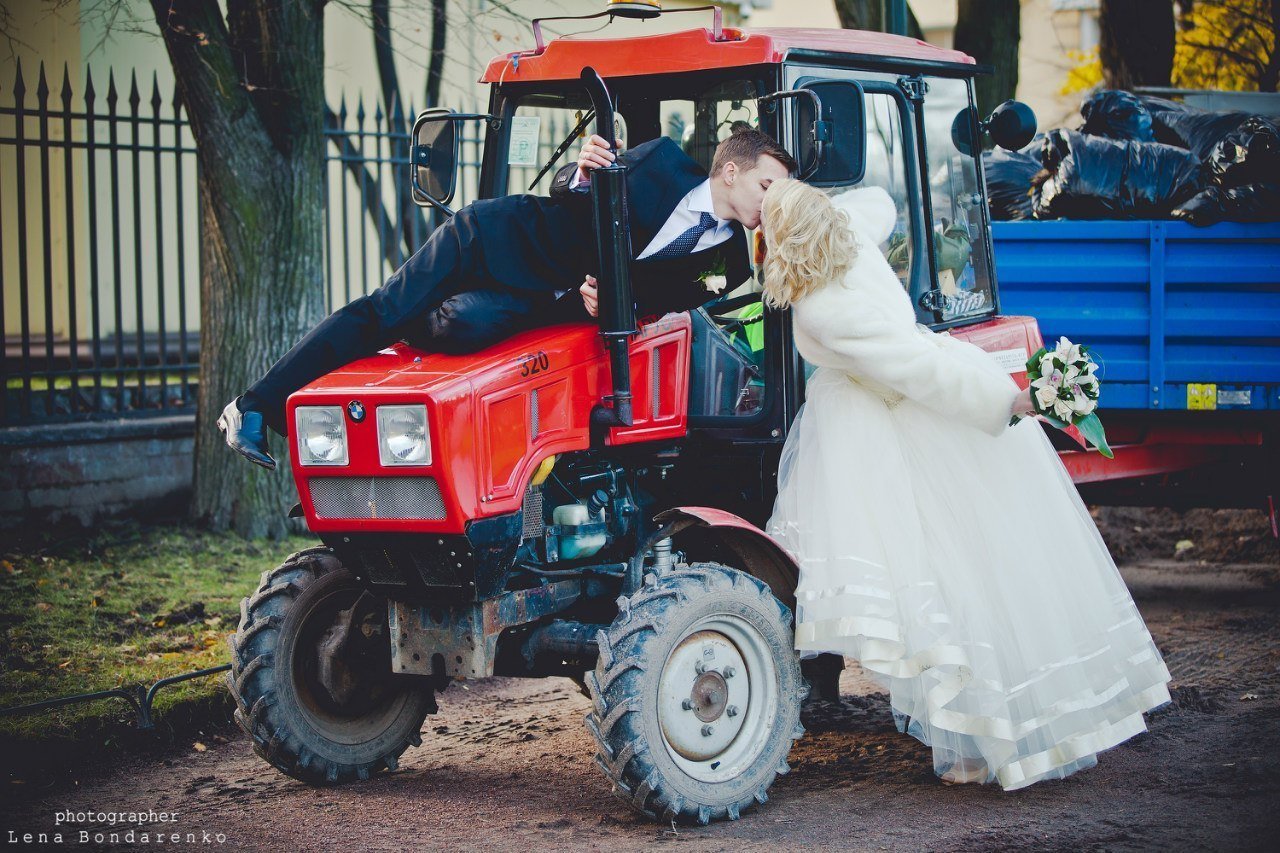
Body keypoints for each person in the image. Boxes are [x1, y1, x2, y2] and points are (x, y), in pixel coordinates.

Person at [760, 178, 1171, 790]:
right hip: (892, 410)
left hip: (897, 426)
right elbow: (877, 202)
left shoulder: (824, 306)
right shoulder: (855, 242)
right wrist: (810, 203)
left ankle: (987, 738)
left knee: (939, 586)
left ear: (787, 239)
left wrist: (1007, 401)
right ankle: (978, 734)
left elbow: (916, 368)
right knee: (951, 578)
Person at [219, 128, 796, 468]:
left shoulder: (731, 263)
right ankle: (252, 407)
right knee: (383, 313)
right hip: (495, 240)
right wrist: (582, 170)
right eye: (766, 186)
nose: (770, 203)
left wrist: (614, 306)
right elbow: (575, 189)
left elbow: (660, 302)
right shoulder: (664, 160)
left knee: (461, 327)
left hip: (541, 301)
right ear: (729, 171)